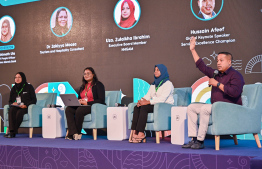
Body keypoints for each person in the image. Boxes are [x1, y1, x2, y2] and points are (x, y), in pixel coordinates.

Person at [182, 36, 245, 149]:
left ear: (229, 62)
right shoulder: (216, 73)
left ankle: (200, 141)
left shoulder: (236, 75)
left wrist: (217, 84)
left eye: (221, 60)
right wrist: (192, 50)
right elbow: (202, 67)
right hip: (216, 106)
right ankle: (194, 139)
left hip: (230, 108)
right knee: (191, 107)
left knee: (205, 109)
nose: (218, 63)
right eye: (217, 61)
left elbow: (235, 93)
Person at [130, 64, 174, 143]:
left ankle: (141, 133)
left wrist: (147, 102)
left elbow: (162, 99)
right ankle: (135, 132)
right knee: (137, 107)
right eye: (155, 70)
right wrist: (141, 101)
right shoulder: (153, 84)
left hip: (164, 107)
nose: (155, 72)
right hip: (155, 105)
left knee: (144, 108)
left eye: (158, 70)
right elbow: (148, 95)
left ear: (163, 71)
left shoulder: (168, 84)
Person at [65, 67, 105, 140]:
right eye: (84, 74)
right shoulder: (83, 86)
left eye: (88, 73)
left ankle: (78, 133)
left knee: (80, 110)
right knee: (68, 109)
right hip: (82, 105)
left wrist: (87, 103)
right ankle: (74, 133)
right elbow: (80, 97)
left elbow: (101, 100)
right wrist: (78, 101)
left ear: (93, 75)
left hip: (92, 106)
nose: (86, 75)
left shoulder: (98, 85)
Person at [4, 72, 37, 138]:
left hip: (25, 107)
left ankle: (12, 132)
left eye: (19, 77)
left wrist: (26, 105)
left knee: (19, 113)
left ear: (23, 78)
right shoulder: (13, 88)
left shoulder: (29, 87)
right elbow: (10, 101)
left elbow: (34, 100)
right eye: (16, 77)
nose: (17, 79)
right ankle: (12, 132)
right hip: (17, 106)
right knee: (11, 110)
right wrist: (13, 103)